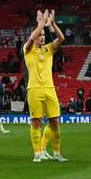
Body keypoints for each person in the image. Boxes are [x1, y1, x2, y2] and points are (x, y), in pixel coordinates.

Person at [24, 10, 67, 163]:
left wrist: (53, 25)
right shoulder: (27, 50)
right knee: (36, 122)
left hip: (50, 89)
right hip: (34, 90)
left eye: (43, 34)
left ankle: (56, 153)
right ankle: (37, 153)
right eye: (39, 34)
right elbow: (30, 39)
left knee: (55, 121)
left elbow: (61, 38)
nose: (41, 37)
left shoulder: (49, 49)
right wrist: (40, 24)